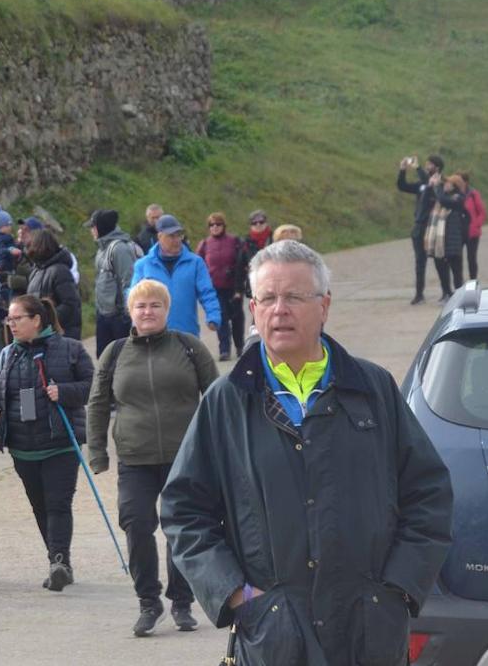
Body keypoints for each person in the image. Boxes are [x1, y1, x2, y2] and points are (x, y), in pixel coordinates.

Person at [160, 241, 453, 666]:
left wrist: (399, 587)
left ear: (324, 306)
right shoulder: (226, 401)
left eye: (295, 296)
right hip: (274, 636)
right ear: (255, 309)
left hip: (368, 633)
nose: (280, 309)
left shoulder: (372, 389)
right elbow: (183, 510)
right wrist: (236, 594)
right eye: (268, 298)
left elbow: (429, 493)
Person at [87, 281, 218, 636]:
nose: (148, 311)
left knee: (182, 528)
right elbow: (98, 403)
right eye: (141, 305)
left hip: (185, 457)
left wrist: (221, 447)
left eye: (155, 305)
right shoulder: (115, 353)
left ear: (166, 310)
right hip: (135, 456)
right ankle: (149, 601)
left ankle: (182, 601)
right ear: (131, 311)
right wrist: (97, 450)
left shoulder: (188, 347)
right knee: (136, 524)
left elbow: (219, 398)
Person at [0, 295, 93, 591]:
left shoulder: (70, 349)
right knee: (40, 506)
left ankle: (59, 560)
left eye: (16, 319)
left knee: (58, 504)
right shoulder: (6, 356)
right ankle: (57, 558)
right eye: (8, 320)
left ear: (36, 320)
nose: (11, 325)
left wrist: (64, 391)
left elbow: (91, 387)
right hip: (23, 448)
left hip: (61, 442)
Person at [128, 214, 220, 338]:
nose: (177, 240)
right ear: (160, 236)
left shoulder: (195, 263)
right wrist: (136, 323)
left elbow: (207, 292)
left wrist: (213, 316)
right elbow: (133, 298)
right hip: (152, 335)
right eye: (171, 236)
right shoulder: (143, 265)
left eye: (179, 235)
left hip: (187, 334)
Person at [88, 208, 143, 358]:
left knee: (121, 359)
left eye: (93, 227)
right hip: (104, 314)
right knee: (104, 358)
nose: (91, 231)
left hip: (119, 317)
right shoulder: (102, 249)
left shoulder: (120, 249)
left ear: (101, 227)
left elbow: (130, 281)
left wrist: (127, 313)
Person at [196, 212, 246, 361]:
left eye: (218, 224)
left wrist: (239, 288)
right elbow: (198, 264)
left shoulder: (235, 241)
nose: (215, 227)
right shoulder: (205, 244)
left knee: (237, 318)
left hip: (233, 287)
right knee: (221, 319)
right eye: (212, 225)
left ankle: (240, 346)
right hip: (215, 288)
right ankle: (224, 349)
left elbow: (242, 264)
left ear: (224, 226)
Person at [397, 154, 444, 304]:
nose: (426, 166)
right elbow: (402, 186)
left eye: (429, 164)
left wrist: (416, 167)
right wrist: (402, 170)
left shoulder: (441, 183)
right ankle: (419, 294)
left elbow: (427, 181)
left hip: (433, 227)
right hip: (419, 226)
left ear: (437, 167)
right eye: (425, 164)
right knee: (419, 261)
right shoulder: (422, 184)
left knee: (440, 260)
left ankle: (446, 291)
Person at [25, 229, 83, 340]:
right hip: (41, 334)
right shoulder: (35, 272)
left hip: (62, 335)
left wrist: (47, 320)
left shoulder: (60, 271)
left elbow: (70, 304)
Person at [426, 172, 468, 300]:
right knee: (441, 268)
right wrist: (430, 186)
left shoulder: (458, 198)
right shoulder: (441, 197)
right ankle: (446, 292)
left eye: (448, 183)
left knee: (456, 271)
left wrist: (437, 188)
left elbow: (444, 200)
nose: (445, 184)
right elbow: (427, 200)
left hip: (453, 242)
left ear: (455, 186)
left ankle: (459, 295)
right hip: (440, 242)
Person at [0, 204, 22, 295]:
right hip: (5, 268)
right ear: (0, 227)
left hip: (10, 266)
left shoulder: (5, 237)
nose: (10, 227)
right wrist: (10, 250)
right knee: (8, 288)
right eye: (8, 225)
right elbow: (0, 251)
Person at [460, 172, 487, 281]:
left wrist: (476, 225)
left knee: (471, 257)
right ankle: (459, 282)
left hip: (472, 232)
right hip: (459, 231)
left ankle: (473, 280)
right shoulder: (454, 194)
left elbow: (482, 212)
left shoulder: (473, 194)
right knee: (457, 258)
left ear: (466, 182)